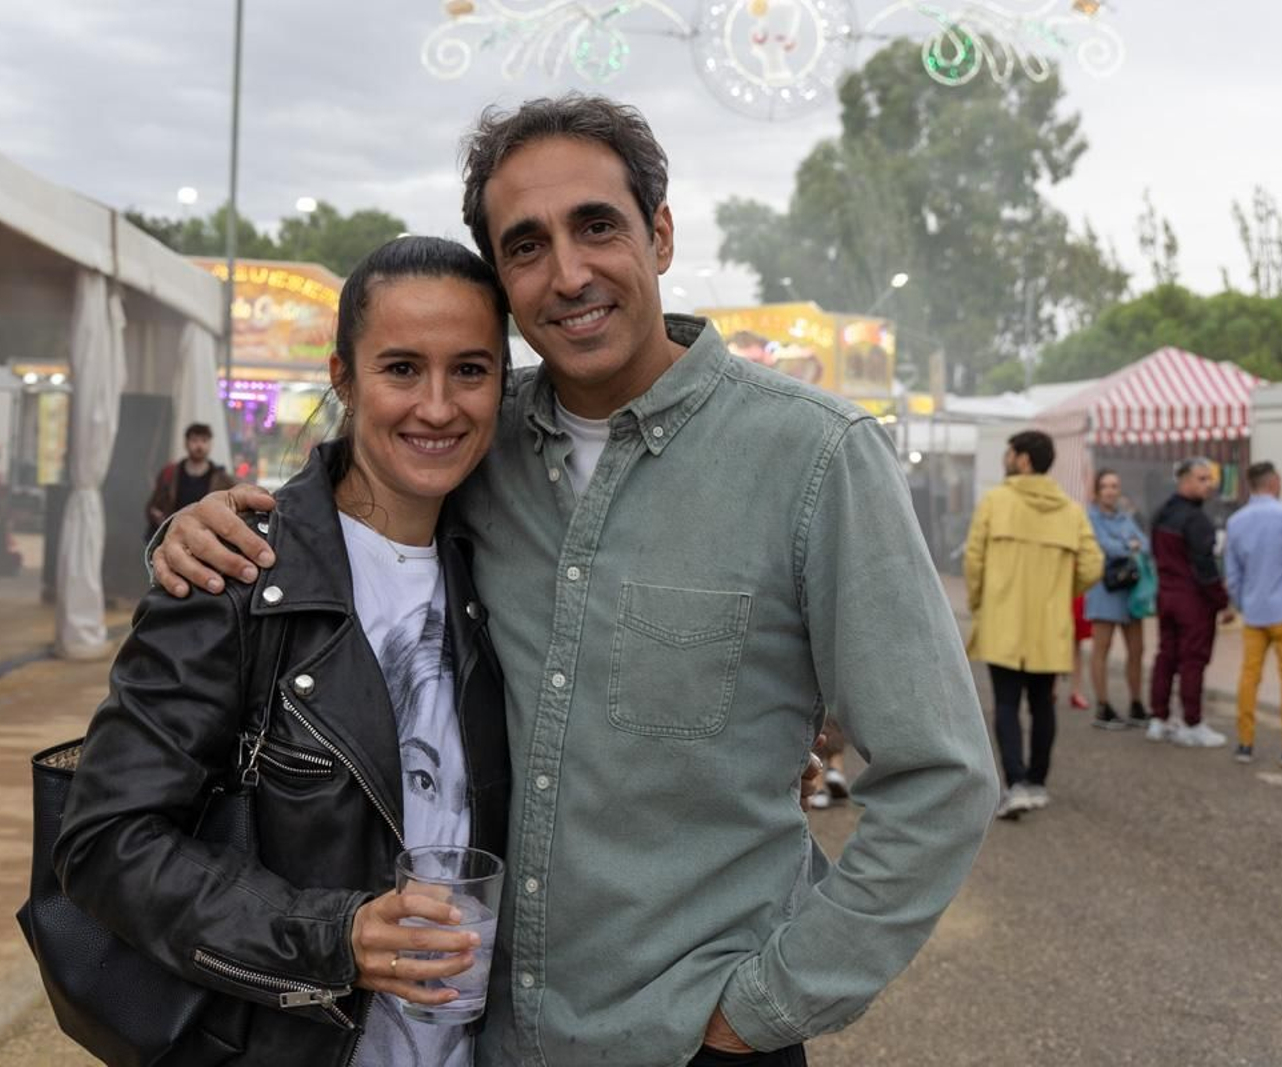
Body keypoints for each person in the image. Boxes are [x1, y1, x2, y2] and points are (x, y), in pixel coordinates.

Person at [150, 95, 996, 1067]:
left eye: (596, 225)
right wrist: (197, 525)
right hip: (493, 1037)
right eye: (525, 245)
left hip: (696, 1041)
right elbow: (346, 503)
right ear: (502, 280)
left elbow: (940, 777)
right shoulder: (476, 436)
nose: (568, 272)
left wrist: (765, 1004)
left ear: (660, 233)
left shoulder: (813, 458)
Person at [55, 237, 514, 1067]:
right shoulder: (236, 571)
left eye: (471, 370)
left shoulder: (509, 569)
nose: (439, 406)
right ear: (342, 377)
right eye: (402, 368)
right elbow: (104, 841)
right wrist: (332, 936)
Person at [965, 430, 1103, 819]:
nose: (1006, 459)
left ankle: (1016, 782)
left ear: (1023, 459)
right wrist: (1062, 591)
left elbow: (974, 562)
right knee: (1043, 704)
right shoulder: (1070, 509)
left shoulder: (996, 501)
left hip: (1002, 620)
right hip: (1050, 624)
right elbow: (1093, 566)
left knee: (1006, 703)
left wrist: (980, 601)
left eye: (1010, 453)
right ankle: (1038, 782)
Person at [1148, 457, 1230, 748]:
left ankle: (1158, 719)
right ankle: (1192, 723)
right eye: (1202, 479)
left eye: (1209, 479)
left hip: (1166, 595)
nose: (1210, 484)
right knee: (1192, 660)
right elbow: (1204, 567)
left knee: (1166, 656)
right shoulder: (1197, 520)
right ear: (1184, 480)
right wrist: (1222, 601)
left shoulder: (1161, 513)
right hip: (1192, 601)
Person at [1224, 461, 1282, 767]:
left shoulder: (1236, 521)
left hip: (1253, 612)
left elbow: (1233, 574)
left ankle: (1245, 743)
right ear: (1275, 481)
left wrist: (1242, 603)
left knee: (1249, 676)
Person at [1084, 469, 1151, 729]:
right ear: (1098, 491)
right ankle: (1103, 705)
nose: (1111, 491)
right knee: (1102, 648)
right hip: (1105, 589)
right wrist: (1128, 545)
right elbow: (1105, 546)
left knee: (1137, 649)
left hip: (1131, 592)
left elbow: (1144, 544)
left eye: (1115, 485)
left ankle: (1136, 702)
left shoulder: (1125, 517)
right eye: (1106, 486)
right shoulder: (1090, 518)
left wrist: (1126, 545)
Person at [145, 422, 236, 540]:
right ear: (186, 443)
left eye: (204, 440)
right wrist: (160, 519)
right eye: (194, 440)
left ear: (210, 444)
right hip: (173, 537)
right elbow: (153, 506)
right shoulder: (170, 474)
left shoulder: (222, 480)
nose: (199, 446)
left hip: (208, 541)